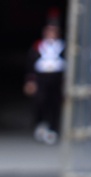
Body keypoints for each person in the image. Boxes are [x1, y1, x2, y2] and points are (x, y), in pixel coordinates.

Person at [24, 17, 66, 145]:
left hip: (56, 79)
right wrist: (30, 80)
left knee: (55, 104)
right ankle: (40, 124)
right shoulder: (38, 46)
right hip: (42, 79)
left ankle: (54, 128)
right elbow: (30, 64)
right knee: (40, 101)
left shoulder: (63, 47)